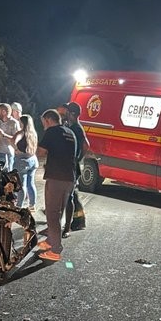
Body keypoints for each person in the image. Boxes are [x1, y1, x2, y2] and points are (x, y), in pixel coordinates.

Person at [36, 109, 76, 262]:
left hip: (56, 178)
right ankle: (51, 241)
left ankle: (56, 250)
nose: (44, 126)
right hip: (69, 178)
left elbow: (41, 152)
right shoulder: (69, 132)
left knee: (52, 214)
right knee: (58, 212)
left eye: (43, 123)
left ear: (48, 120)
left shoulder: (52, 132)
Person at [62, 101, 90, 237]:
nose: (65, 113)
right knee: (74, 194)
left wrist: (77, 159)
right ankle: (79, 221)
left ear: (72, 114)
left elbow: (86, 146)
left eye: (67, 111)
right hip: (74, 165)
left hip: (73, 166)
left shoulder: (76, 128)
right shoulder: (74, 126)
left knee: (70, 196)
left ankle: (75, 223)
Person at [12, 114, 38, 212]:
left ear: (22, 122)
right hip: (33, 159)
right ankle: (32, 205)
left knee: (21, 185)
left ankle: (19, 205)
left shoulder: (22, 132)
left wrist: (15, 148)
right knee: (30, 184)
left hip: (22, 161)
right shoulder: (33, 133)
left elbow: (14, 140)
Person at [0, 103, 21, 171]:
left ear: (4, 112)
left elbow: (17, 140)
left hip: (8, 154)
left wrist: (3, 134)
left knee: (8, 176)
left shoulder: (14, 123)